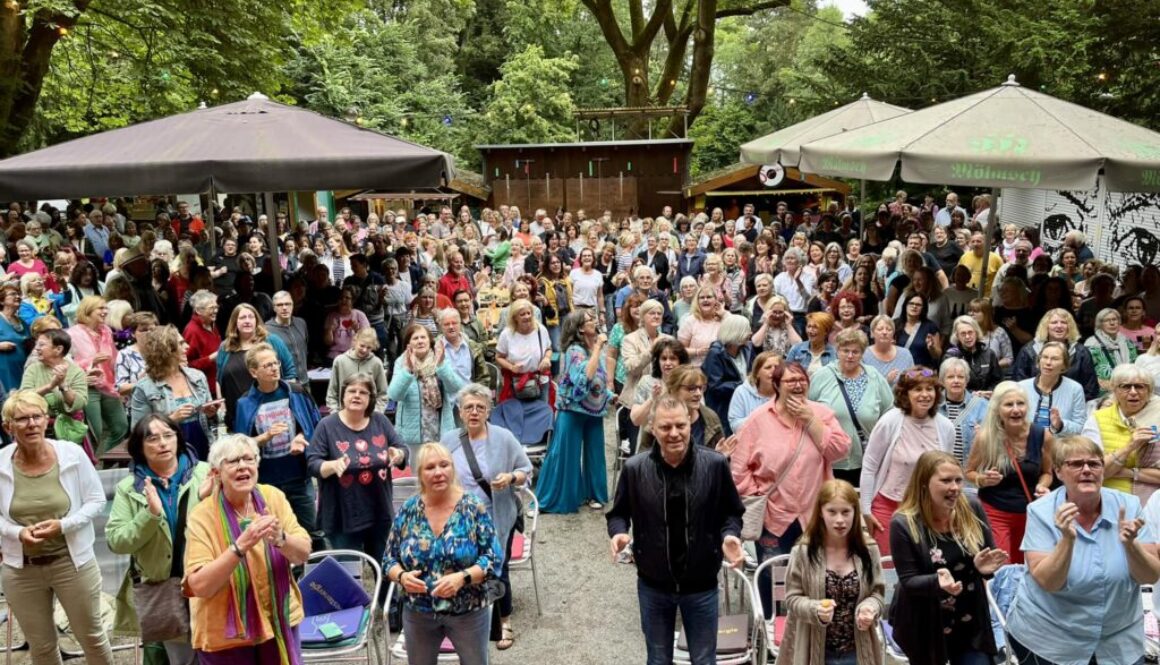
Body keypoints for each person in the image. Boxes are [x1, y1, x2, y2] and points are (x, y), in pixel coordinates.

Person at [607, 395, 746, 665]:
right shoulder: (635, 469)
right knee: (658, 659)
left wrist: (729, 535)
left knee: (704, 660)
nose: (674, 433)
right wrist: (619, 532)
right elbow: (618, 514)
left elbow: (732, 512)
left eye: (680, 426)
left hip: (702, 584)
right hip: (653, 585)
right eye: (665, 427)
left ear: (689, 424)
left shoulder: (715, 465)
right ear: (652, 428)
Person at [1006, 436, 1160, 665]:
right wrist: (1067, 540)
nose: (1087, 470)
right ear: (1058, 472)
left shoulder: (1129, 506)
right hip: (1052, 640)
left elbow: (1150, 576)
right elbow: (1049, 582)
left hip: (1117, 640)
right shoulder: (1040, 512)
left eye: (1094, 464)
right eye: (1076, 464)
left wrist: (1131, 546)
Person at [0, 390, 113, 665]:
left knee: (92, 639)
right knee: (41, 647)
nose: (31, 424)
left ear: (46, 419)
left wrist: (63, 525)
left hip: (72, 563)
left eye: (37, 416)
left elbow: (96, 500)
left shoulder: (71, 454)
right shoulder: (1, 462)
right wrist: (17, 533)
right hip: (21, 569)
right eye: (22, 419)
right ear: (8, 426)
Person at [182, 433, 311, 663]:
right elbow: (199, 585)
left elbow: (303, 554)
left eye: (249, 459)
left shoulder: (273, 497)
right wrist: (239, 547)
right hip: (225, 635)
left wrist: (281, 538)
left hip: (278, 620)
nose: (243, 466)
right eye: (232, 461)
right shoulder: (202, 515)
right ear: (216, 473)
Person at [733, 362, 851, 612]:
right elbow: (739, 470)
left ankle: (813, 626)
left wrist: (811, 421)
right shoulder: (758, 420)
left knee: (816, 576)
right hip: (774, 515)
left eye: (802, 380)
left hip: (815, 514)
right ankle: (771, 626)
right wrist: (757, 495)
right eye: (790, 381)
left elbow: (840, 450)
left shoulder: (821, 413)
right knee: (772, 577)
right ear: (777, 385)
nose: (798, 385)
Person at [383, 443, 503, 665]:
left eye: (444, 465)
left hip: (467, 611)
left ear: (452, 469)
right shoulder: (408, 510)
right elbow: (389, 559)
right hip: (418, 612)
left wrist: (462, 578)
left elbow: (493, 558)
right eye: (430, 467)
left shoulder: (472, 507)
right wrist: (402, 576)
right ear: (420, 474)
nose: (438, 472)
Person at [106, 415, 212, 665]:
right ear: (139, 447)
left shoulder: (206, 473)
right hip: (163, 588)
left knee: (217, 652)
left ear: (178, 438)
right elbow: (117, 541)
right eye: (152, 438)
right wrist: (150, 514)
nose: (163, 443)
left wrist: (205, 498)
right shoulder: (129, 488)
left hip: (207, 580)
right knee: (182, 659)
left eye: (168, 435)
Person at [888, 451, 1007, 665]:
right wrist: (937, 582)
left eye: (958, 480)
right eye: (946, 480)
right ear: (924, 483)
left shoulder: (972, 507)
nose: (955, 487)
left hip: (969, 617)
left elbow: (988, 554)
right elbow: (908, 580)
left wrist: (983, 567)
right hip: (925, 620)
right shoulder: (903, 523)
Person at [442, 384, 533, 651]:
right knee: (460, 568)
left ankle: (504, 621)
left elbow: (526, 469)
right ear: (460, 412)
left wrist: (511, 478)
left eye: (480, 407)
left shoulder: (503, 438)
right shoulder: (448, 440)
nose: (474, 412)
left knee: (496, 569)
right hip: (459, 519)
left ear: (488, 412)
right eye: (468, 407)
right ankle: (465, 620)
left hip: (496, 515)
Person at [778, 479, 886, 665]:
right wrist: (815, 609)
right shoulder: (803, 551)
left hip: (858, 650)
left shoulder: (869, 550)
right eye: (832, 512)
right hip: (814, 649)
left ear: (855, 512)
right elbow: (792, 598)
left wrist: (870, 608)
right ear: (821, 512)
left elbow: (878, 594)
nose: (840, 520)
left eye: (846, 512)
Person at [308, 372, 407, 564]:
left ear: (370, 398)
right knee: (350, 573)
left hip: (379, 511)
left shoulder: (380, 421)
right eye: (352, 391)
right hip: (342, 515)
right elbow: (313, 463)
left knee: (387, 568)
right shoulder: (327, 426)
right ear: (343, 395)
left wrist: (399, 454)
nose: (357, 396)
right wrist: (332, 465)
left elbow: (401, 448)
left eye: (363, 392)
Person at [235, 343, 325, 552]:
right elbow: (241, 446)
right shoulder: (244, 403)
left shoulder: (296, 392)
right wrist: (265, 437)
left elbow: (317, 426)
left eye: (276, 363)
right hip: (267, 481)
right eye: (267, 365)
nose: (275, 368)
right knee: (274, 536)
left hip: (298, 476)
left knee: (314, 532)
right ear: (254, 372)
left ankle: (320, 569)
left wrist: (302, 438)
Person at [859, 367, 956, 554]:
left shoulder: (946, 427)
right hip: (889, 507)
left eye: (929, 389)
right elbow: (870, 467)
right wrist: (866, 510)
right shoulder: (889, 421)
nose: (925, 395)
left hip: (928, 510)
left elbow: (948, 472)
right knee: (888, 565)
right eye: (917, 389)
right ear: (905, 394)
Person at [965, 381, 1054, 564]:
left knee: (1026, 566)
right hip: (995, 511)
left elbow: (1048, 473)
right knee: (1001, 565)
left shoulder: (1042, 435)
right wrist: (982, 479)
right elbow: (969, 472)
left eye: (1020, 404)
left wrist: (1041, 486)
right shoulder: (985, 436)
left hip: (1029, 514)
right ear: (997, 409)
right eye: (1008, 404)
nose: (1016, 410)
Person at [538, 310, 614, 513]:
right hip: (572, 409)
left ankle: (594, 495)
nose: (594, 322)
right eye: (590, 320)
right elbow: (583, 378)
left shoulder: (592, 349)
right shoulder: (574, 351)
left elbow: (597, 378)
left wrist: (608, 394)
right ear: (580, 328)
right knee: (565, 455)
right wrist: (597, 348)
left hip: (593, 410)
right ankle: (553, 499)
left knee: (596, 454)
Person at [808, 329, 895, 487]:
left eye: (855, 352)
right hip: (828, 461)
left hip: (866, 461)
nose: (850, 356)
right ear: (837, 351)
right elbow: (808, 410)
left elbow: (890, 413)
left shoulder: (874, 377)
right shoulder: (822, 376)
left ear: (862, 353)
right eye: (845, 350)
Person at [130, 325, 218, 460]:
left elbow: (211, 421)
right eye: (181, 343)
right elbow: (138, 431)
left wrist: (210, 413)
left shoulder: (197, 377)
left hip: (202, 443)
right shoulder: (145, 387)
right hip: (167, 449)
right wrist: (171, 420)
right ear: (167, 349)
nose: (187, 347)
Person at [388, 323, 467, 459]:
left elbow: (455, 387)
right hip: (413, 432)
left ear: (430, 341)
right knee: (417, 470)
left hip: (440, 428)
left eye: (423, 337)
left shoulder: (440, 358)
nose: (420, 341)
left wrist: (442, 366)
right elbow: (395, 395)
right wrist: (408, 371)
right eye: (415, 338)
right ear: (408, 344)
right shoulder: (401, 362)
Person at [216, 303, 298, 430]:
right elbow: (219, 379)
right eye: (242, 317)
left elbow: (290, 371)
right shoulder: (225, 347)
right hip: (238, 411)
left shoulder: (272, 340)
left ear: (256, 320)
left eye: (251, 317)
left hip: (271, 409)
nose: (247, 321)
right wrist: (221, 404)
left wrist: (288, 399)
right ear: (235, 322)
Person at [1084, 364, 1160, 498]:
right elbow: (1091, 471)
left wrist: (1128, 473)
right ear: (1114, 390)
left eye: (1140, 386)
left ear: (1149, 391)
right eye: (1125, 387)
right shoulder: (1097, 419)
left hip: (1152, 502)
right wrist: (1130, 446)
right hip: (1109, 498)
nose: (1133, 392)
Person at [68, 295, 128, 453]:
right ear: (88, 310)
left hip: (108, 384)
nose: (105, 311)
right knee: (97, 432)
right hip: (87, 386)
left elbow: (113, 357)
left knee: (120, 426)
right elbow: (66, 364)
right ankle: (96, 461)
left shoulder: (106, 330)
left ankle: (105, 459)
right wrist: (90, 361)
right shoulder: (73, 334)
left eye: (106, 308)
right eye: (100, 308)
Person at [1013, 308, 1099, 401]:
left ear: (1070, 327)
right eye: (1054, 322)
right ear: (1046, 326)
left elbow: (1090, 388)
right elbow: (1018, 383)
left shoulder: (1081, 352)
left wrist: (1071, 404)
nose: (1059, 326)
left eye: (1064, 322)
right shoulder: (1029, 350)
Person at [1016, 341, 1087, 437]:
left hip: (1060, 444)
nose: (1048, 362)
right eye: (1045, 357)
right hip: (1026, 441)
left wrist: (1061, 425)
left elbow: (1080, 427)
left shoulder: (1075, 389)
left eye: (1055, 359)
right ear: (1039, 360)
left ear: (1064, 365)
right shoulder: (1021, 387)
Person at [701, 313, 753, 437]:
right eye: (747, 329)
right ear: (736, 332)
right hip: (723, 407)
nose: (750, 333)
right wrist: (743, 384)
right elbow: (715, 386)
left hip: (743, 404)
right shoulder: (715, 353)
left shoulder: (747, 349)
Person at [938, 358, 989, 469]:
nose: (956, 381)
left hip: (971, 472)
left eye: (961, 377)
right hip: (940, 471)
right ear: (942, 381)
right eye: (950, 377)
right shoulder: (933, 406)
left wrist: (984, 437)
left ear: (967, 381)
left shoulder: (982, 405)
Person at [326, 327, 389, 413]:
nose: (364, 350)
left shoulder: (376, 363)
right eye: (362, 346)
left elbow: (383, 393)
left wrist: (376, 413)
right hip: (344, 414)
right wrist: (335, 413)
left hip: (369, 415)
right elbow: (332, 393)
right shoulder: (340, 361)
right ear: (355, 341)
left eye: (369, 348)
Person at [1086, 307, 1139, 397]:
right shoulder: (1091, 344)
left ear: (1119, 322)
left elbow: (1136, 365)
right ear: (1100, 324)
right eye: (1107, 320)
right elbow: (1087, 373)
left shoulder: (1127, 342)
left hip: (1128, 388)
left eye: (1114, 319)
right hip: (1104, 391)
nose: (1112, 323)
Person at [942, 315, 1002, 392]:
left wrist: (987, 393)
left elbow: (997, 381)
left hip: (987, 396)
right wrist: (972, 394)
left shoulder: (989, 354)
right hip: (962, 397)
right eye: (963, 334)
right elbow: (949, 383)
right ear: (957, 336)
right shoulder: (951, 356)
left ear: (976, 333)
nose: (967, 337)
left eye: (970, 332)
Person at [727, 351, 780, 436]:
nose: (773, 370)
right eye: (768, 367)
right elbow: (735, 424)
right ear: (757, 373)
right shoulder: (742, 392)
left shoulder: (785, 392)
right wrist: (762, 419)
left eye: (777, 367)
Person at [183, 290, 221, 397]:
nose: (216, 311)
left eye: (216, 307)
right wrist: (210, 358)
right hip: (205, 389)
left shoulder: (211, 324)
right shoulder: (192, 331)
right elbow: (186, 365)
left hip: (217, 384)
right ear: (198, 311)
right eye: (211, 308)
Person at [265, 291, 309, 384]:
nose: (284, 308)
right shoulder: (267, 329)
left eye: (288, 304)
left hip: (305, 381)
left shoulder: (301, 323)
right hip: (284, 383)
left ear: (293, 305)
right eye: (280, 305)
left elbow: (305, 348)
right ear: (274, 308)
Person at [676, 285, 725, 367]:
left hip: (720, 368)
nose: (705, 300)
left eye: (709, 297)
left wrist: (724, 313)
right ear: (697, 301)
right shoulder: (690, 321)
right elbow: (679, 349)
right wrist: (697, 351)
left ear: (715, 300)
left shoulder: (723, 319)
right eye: (702, 298)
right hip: (695, 369)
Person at [862, 315, 914, 385]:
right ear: (872, 333)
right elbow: (861, 384)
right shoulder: (864, 355)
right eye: (880, 329)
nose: (884, 332)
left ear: (893, 334)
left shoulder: (905, 354)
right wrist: (886, 382)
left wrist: (911, 377)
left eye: (889, 329)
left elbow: (914, 375)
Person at [0, 283, 29, 394]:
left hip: (21, 369)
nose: (17, 296)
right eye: (12, 294)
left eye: (18, 294)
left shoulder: (22, 322)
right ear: (2, 301)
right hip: (4, 371)